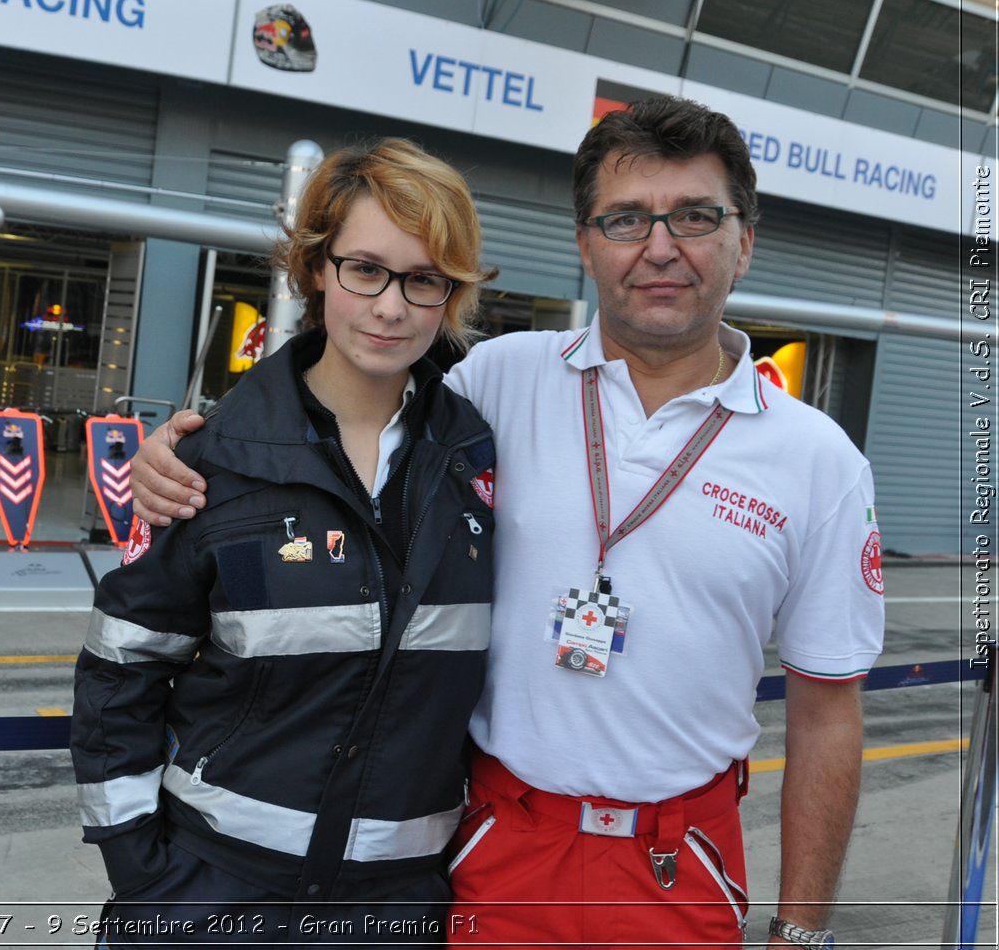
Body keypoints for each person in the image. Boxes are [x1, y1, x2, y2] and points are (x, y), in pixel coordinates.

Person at [129, 96, 885, 949]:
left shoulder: (820, 462)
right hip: (493, 845)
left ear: (744, 239)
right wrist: (197, 445)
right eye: (627, 219)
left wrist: (801, 930)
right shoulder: (494, 378)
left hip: (680, 863)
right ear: (586, 244)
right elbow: (344, 386)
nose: (661, 246)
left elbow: (828, 715)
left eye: (697, 217)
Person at [71, 138, 497, 945]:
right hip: (208, 892)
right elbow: (120, 667)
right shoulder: (213, 456)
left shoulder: (484, 460)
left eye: (423, 279)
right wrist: (141, 869)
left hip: (398, 908)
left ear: (452, 292)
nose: (391, 306)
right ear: (315, 269)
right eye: (364, 268)